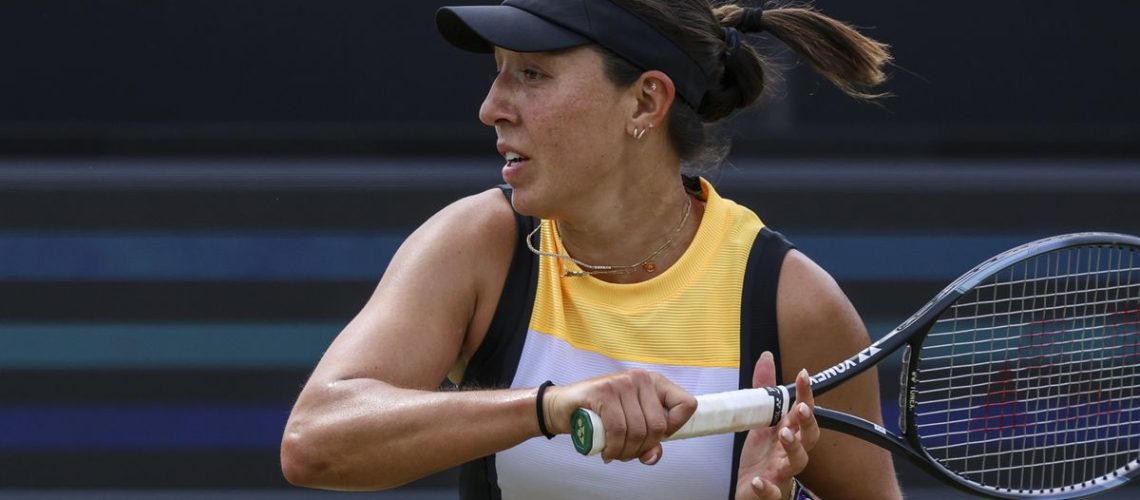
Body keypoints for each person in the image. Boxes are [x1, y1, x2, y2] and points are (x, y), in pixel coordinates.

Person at [281, 0, 902, 498]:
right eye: (497, 70)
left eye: (531, 73)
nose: (490, 107)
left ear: (645, 101)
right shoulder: (477, 245)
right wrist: (550, 408)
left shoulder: (792, 302)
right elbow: (314, 442)